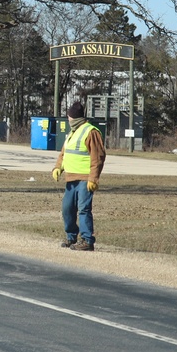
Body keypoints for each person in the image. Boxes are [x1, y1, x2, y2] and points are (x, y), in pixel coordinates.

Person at [52, 101, 106, 251]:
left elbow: (98, 157)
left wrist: (93, 179)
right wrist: (58, 168)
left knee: (83, 209)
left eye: (69, 117)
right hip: (70, 179)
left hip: (85, 179)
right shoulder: (72, 133)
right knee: (67, 208)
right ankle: (71, 236)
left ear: (73, 118)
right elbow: (64, 153)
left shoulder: (91, 132)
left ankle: (87, 240)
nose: (68, 120)